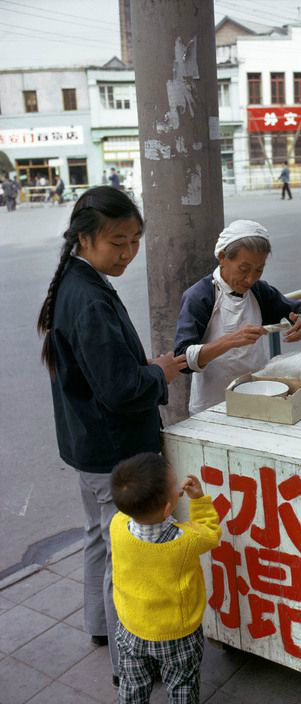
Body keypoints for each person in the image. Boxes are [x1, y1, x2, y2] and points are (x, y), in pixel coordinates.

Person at [37, 186, 187, 686]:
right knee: (121, 557)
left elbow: (98, 372)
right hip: (113, 451)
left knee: (99, 541)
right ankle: (132, 661)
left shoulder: (75, 283)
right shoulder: (88, 298)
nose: (127, 253)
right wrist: (160, 373)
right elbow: (122, 390)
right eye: (117, 242)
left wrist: (137, 368)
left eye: (135, 240)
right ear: (84, 239)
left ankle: (101, 627)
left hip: (87, 447)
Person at [174, 219, 301, 416]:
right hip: (212, 405)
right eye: (243, 269)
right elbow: (183, 359)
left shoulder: (258, 292)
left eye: (259, 270)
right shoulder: (200, 296)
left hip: (258, 396)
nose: (250, 279)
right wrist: (229, 340)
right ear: (222, 257)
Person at [110, 453, 220, 704]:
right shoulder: (186, 540)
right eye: (175, 485)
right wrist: (199, 501)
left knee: (132, 685)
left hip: (131, 629)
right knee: (182, 685)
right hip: (178, 635)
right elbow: (211, 533)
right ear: (169, 507)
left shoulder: (117, 525)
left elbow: (130, 512)